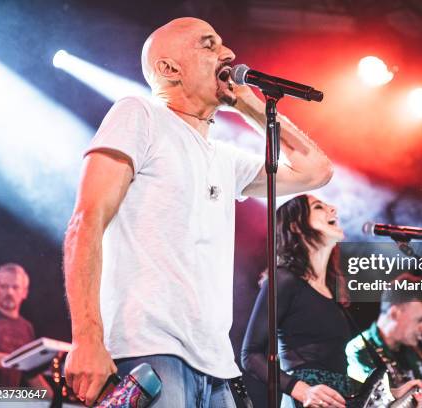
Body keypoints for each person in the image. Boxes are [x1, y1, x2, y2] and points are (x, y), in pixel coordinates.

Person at [63, 17, 334, 407]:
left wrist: (249, 104)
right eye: (208, 45)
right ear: (169, 69)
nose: (228, 54)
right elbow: (85, 223)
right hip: (149, 351)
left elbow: (316, 171)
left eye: (223, 44)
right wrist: (86, 339)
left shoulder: (223, 156)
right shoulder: (139, 114)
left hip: (217, 366)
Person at [241, 195, 422, 408]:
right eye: (319, 207)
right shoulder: (283, 279)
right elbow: (250, 355)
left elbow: (339, 376)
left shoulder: (333, 291)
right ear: (295, 226)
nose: (333, 208)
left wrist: (392, 395)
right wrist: (301, 390)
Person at [346, 273, 422, 408]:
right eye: (420, 320)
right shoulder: (359, 350)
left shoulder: (411, 351)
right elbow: (374, 402)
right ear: (395, 313)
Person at [0, 263, 50, 392]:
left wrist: (53, 399)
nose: (9, 292)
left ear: (24, 292)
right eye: (4, 286)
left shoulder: (26, 327)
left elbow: (29, 371)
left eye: (15, 287)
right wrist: (20, 361)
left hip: (9, 400)